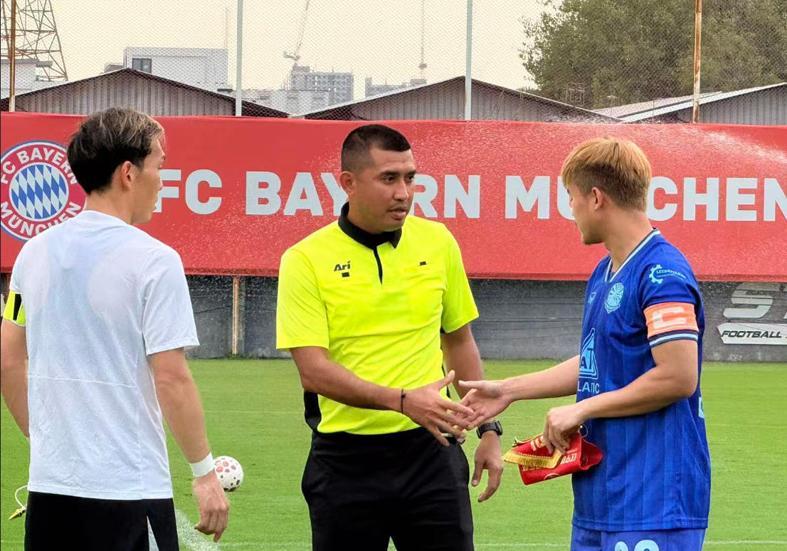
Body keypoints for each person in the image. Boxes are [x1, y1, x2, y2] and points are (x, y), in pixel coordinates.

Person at [461, 137, 710, 551]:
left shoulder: (662, 273)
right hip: (602, 496)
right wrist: (509, 390)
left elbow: (678, 376)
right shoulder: (604, 272)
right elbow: (598, 360)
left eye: (571, 197)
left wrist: (582, 408)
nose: (571, 209)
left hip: (654, 499)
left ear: (596, 198)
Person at [0, 107, 229, 550]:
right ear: (128, 173)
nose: (162, 179)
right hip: (128, 492)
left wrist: (44, 440)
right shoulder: (155, 261)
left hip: (51, 493)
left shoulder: (33, 253)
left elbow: (9, 358)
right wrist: (204, 474)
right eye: (159, 164)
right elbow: (171, 377)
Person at [276, 124, 503, 551]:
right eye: (388, 178)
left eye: (410, 178)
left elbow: (459, 341)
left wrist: (487, 428)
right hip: (345, 463)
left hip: (432, 454)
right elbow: (314, 372)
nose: (404, 193)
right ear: (348, 183)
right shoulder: (305, 259)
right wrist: (402, 401)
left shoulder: (438, 241)